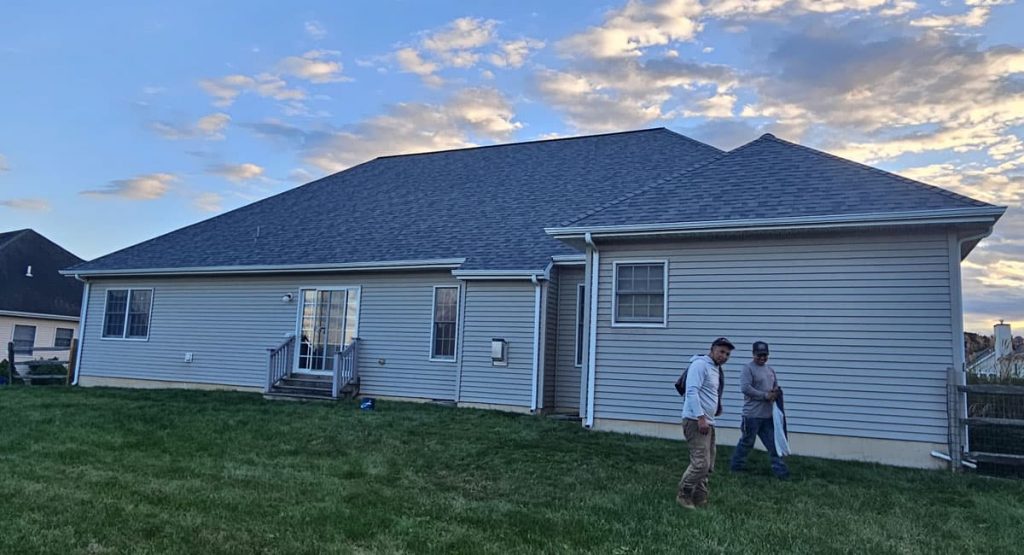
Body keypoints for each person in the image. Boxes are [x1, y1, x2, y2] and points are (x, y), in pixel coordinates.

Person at [677, 337, 733, 509]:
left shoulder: (715, 369)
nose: (724, 356)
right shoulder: (700, 365)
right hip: (695, 420)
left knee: (709, 463)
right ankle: (683, 494)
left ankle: (700, 497)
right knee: (701, 463)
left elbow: (710, 392)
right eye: (721, 351)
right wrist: (700, 417)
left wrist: (717, 407)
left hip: (709, 421)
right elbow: (691, 391)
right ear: (712, 349)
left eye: (727, 354)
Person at [729, 341, 790, 479]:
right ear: (753, 354)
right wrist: (765, 395)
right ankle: (736, 467)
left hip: (768, 416)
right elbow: (746, 388)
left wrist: (775, 392)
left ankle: (781, 472)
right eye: (759, 355)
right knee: (747, 442)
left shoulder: (770, 370)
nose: (762, 358)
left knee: (774, 445)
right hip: (751, 416)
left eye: (765, 355)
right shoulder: (748, 368)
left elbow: (775, 385)